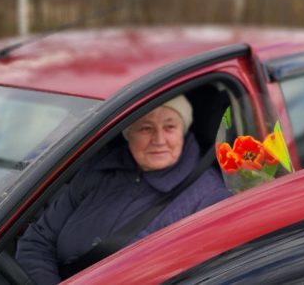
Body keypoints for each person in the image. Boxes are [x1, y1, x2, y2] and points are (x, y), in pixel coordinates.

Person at [15, 95, 230, 284]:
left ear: (182, 131)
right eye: (146, 128)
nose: (159, 140)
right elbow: (36, 242)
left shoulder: (207, 196)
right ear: (129, 134)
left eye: (170, 127)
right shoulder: (97, 170)